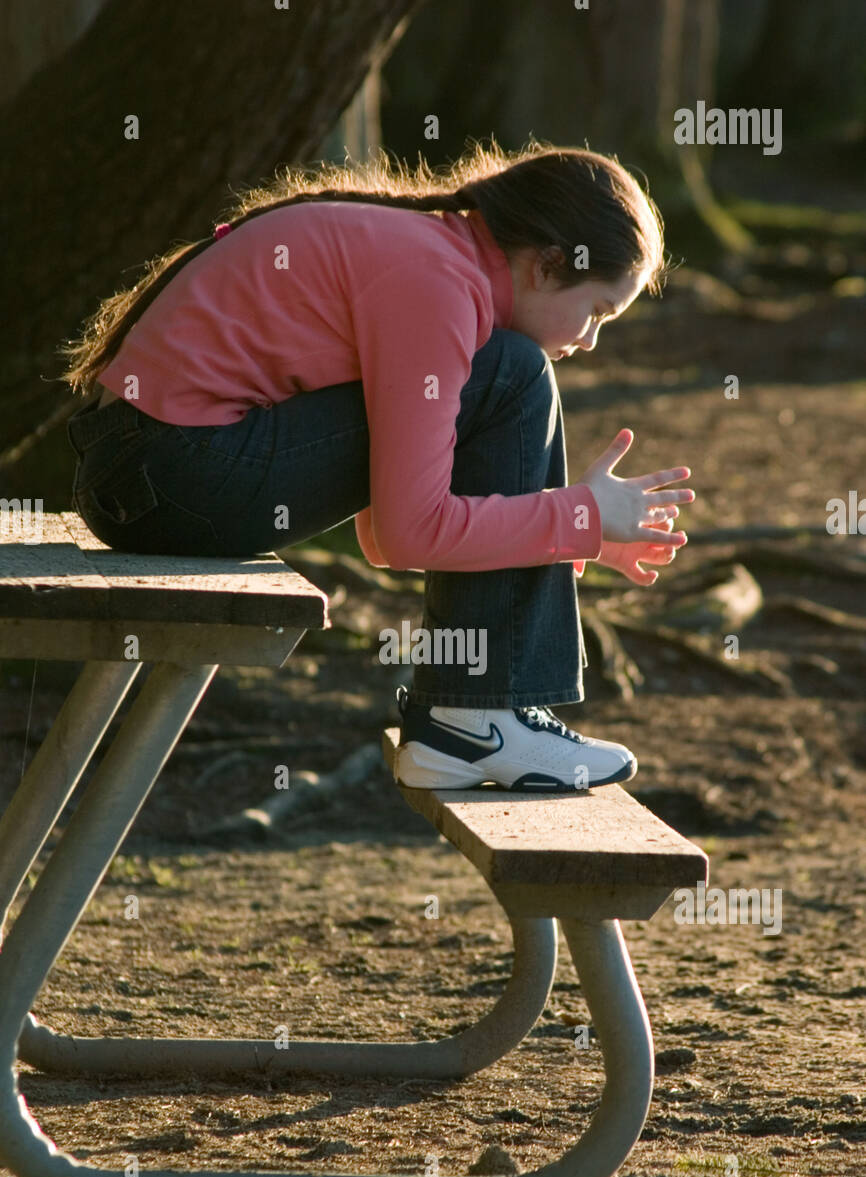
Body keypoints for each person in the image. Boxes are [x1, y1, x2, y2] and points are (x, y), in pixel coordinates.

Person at [61, 137, 695, 793]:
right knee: (515, 374)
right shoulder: (438, 284)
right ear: (548, 264)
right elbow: (407, 532)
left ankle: (472, 723)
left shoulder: (435, 258)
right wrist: (577, 515)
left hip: (147, 472)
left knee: (506, 371)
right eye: (596, 311)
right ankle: (473, 721)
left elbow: (386, 536)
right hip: (174, 470)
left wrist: (572, 535)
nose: (590, 340)